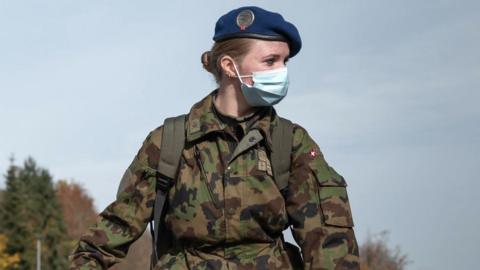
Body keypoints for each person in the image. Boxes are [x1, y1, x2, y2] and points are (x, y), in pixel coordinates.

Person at [69, 6, 360, 270]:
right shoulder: (170, 143)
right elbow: (108, 235)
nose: (281, 72)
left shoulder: (290, 143)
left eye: (284, 61)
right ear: (229, 66)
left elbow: (330, 242)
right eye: (270, 61)